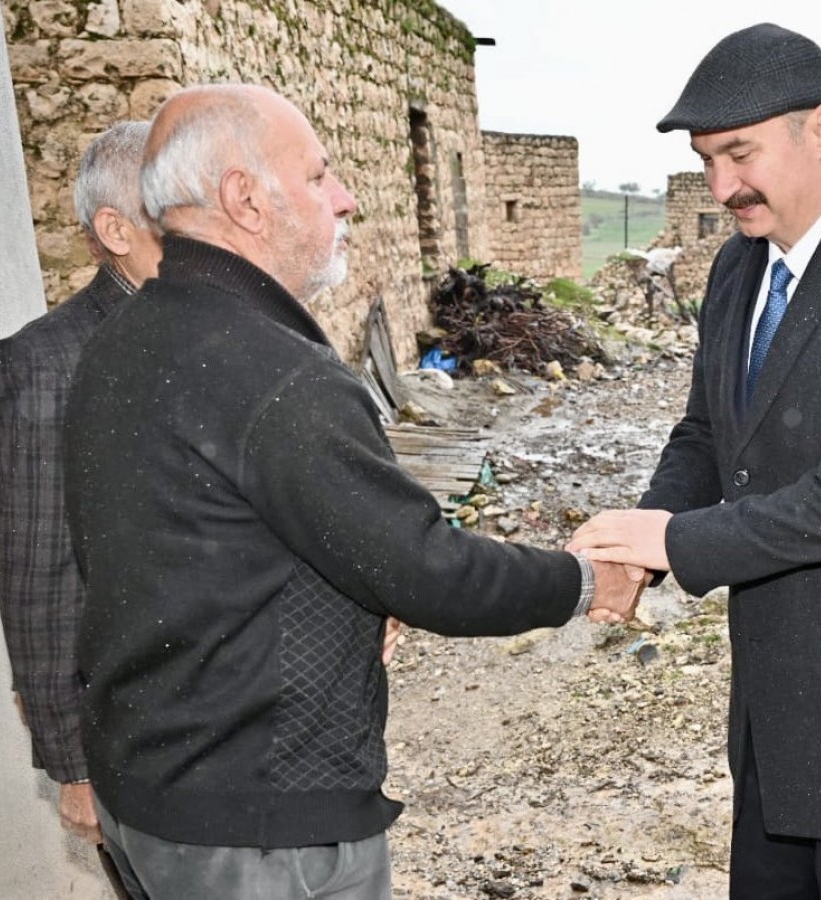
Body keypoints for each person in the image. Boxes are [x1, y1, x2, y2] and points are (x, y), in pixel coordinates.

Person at [63, 84, 644, 899]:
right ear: (245, 199)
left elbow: (200, 544)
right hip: (257, 824)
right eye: (318, 175)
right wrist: (586, 579)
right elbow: (428, 569)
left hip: (153, 791)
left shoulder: (120, 339)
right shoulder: (274, 374)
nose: (347, 198)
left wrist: (353, 599)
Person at [568, 23, 821, 899]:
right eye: (705, 159)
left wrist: (674, 543)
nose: (721, 185)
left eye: (738, 154)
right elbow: (704, 436)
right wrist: (633, 550)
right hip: (775, 704)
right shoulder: (735, 268)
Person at [0, 121, 162, 849]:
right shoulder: (41, 367)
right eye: (174, 204)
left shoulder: (229, 334)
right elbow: (38, 579)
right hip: (140, 736)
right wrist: (73, 766)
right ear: (113, 229)